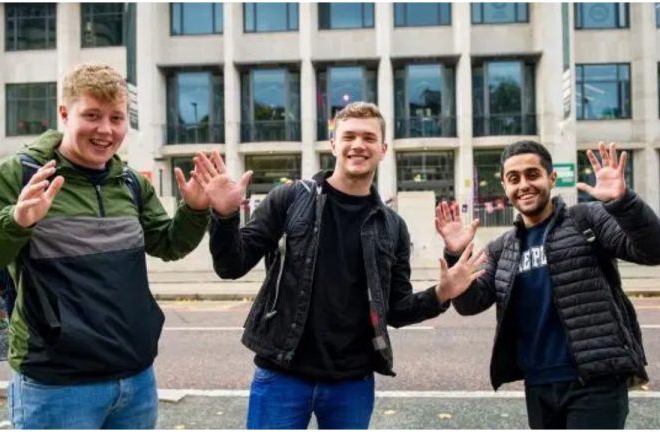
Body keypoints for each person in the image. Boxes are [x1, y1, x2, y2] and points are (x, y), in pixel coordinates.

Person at [0, 63, 212, 429]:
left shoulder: (128, 182)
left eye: (116, 118)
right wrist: (15, 222)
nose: (106, 130)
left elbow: (168, 244)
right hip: (56, 388)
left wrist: (195, 209)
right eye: (92, 115)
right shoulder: (17, 174)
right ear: (64, 113)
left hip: (136, 380)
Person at [189, 101, 487, 429]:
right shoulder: (290, 199)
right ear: (333, 144)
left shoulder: (392, 226)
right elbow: (231, 265)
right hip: (282, 375)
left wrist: (441, 294)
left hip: (352, 383)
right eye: (349, 136)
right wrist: (225, 216)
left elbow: (397, 311)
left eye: (369, 138)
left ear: (383, 149)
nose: (358, 145)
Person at [435, 140, 660, 429]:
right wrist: (454, 255)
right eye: (514, 179)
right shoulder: (502, 249)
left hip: (595, 381)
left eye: (532, 174)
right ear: (504, 186)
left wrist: (623, 203)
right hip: (538, 384)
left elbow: (659, 251)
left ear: (551, 178)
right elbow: (470, 304)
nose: (524, 184)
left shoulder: (587, 219)